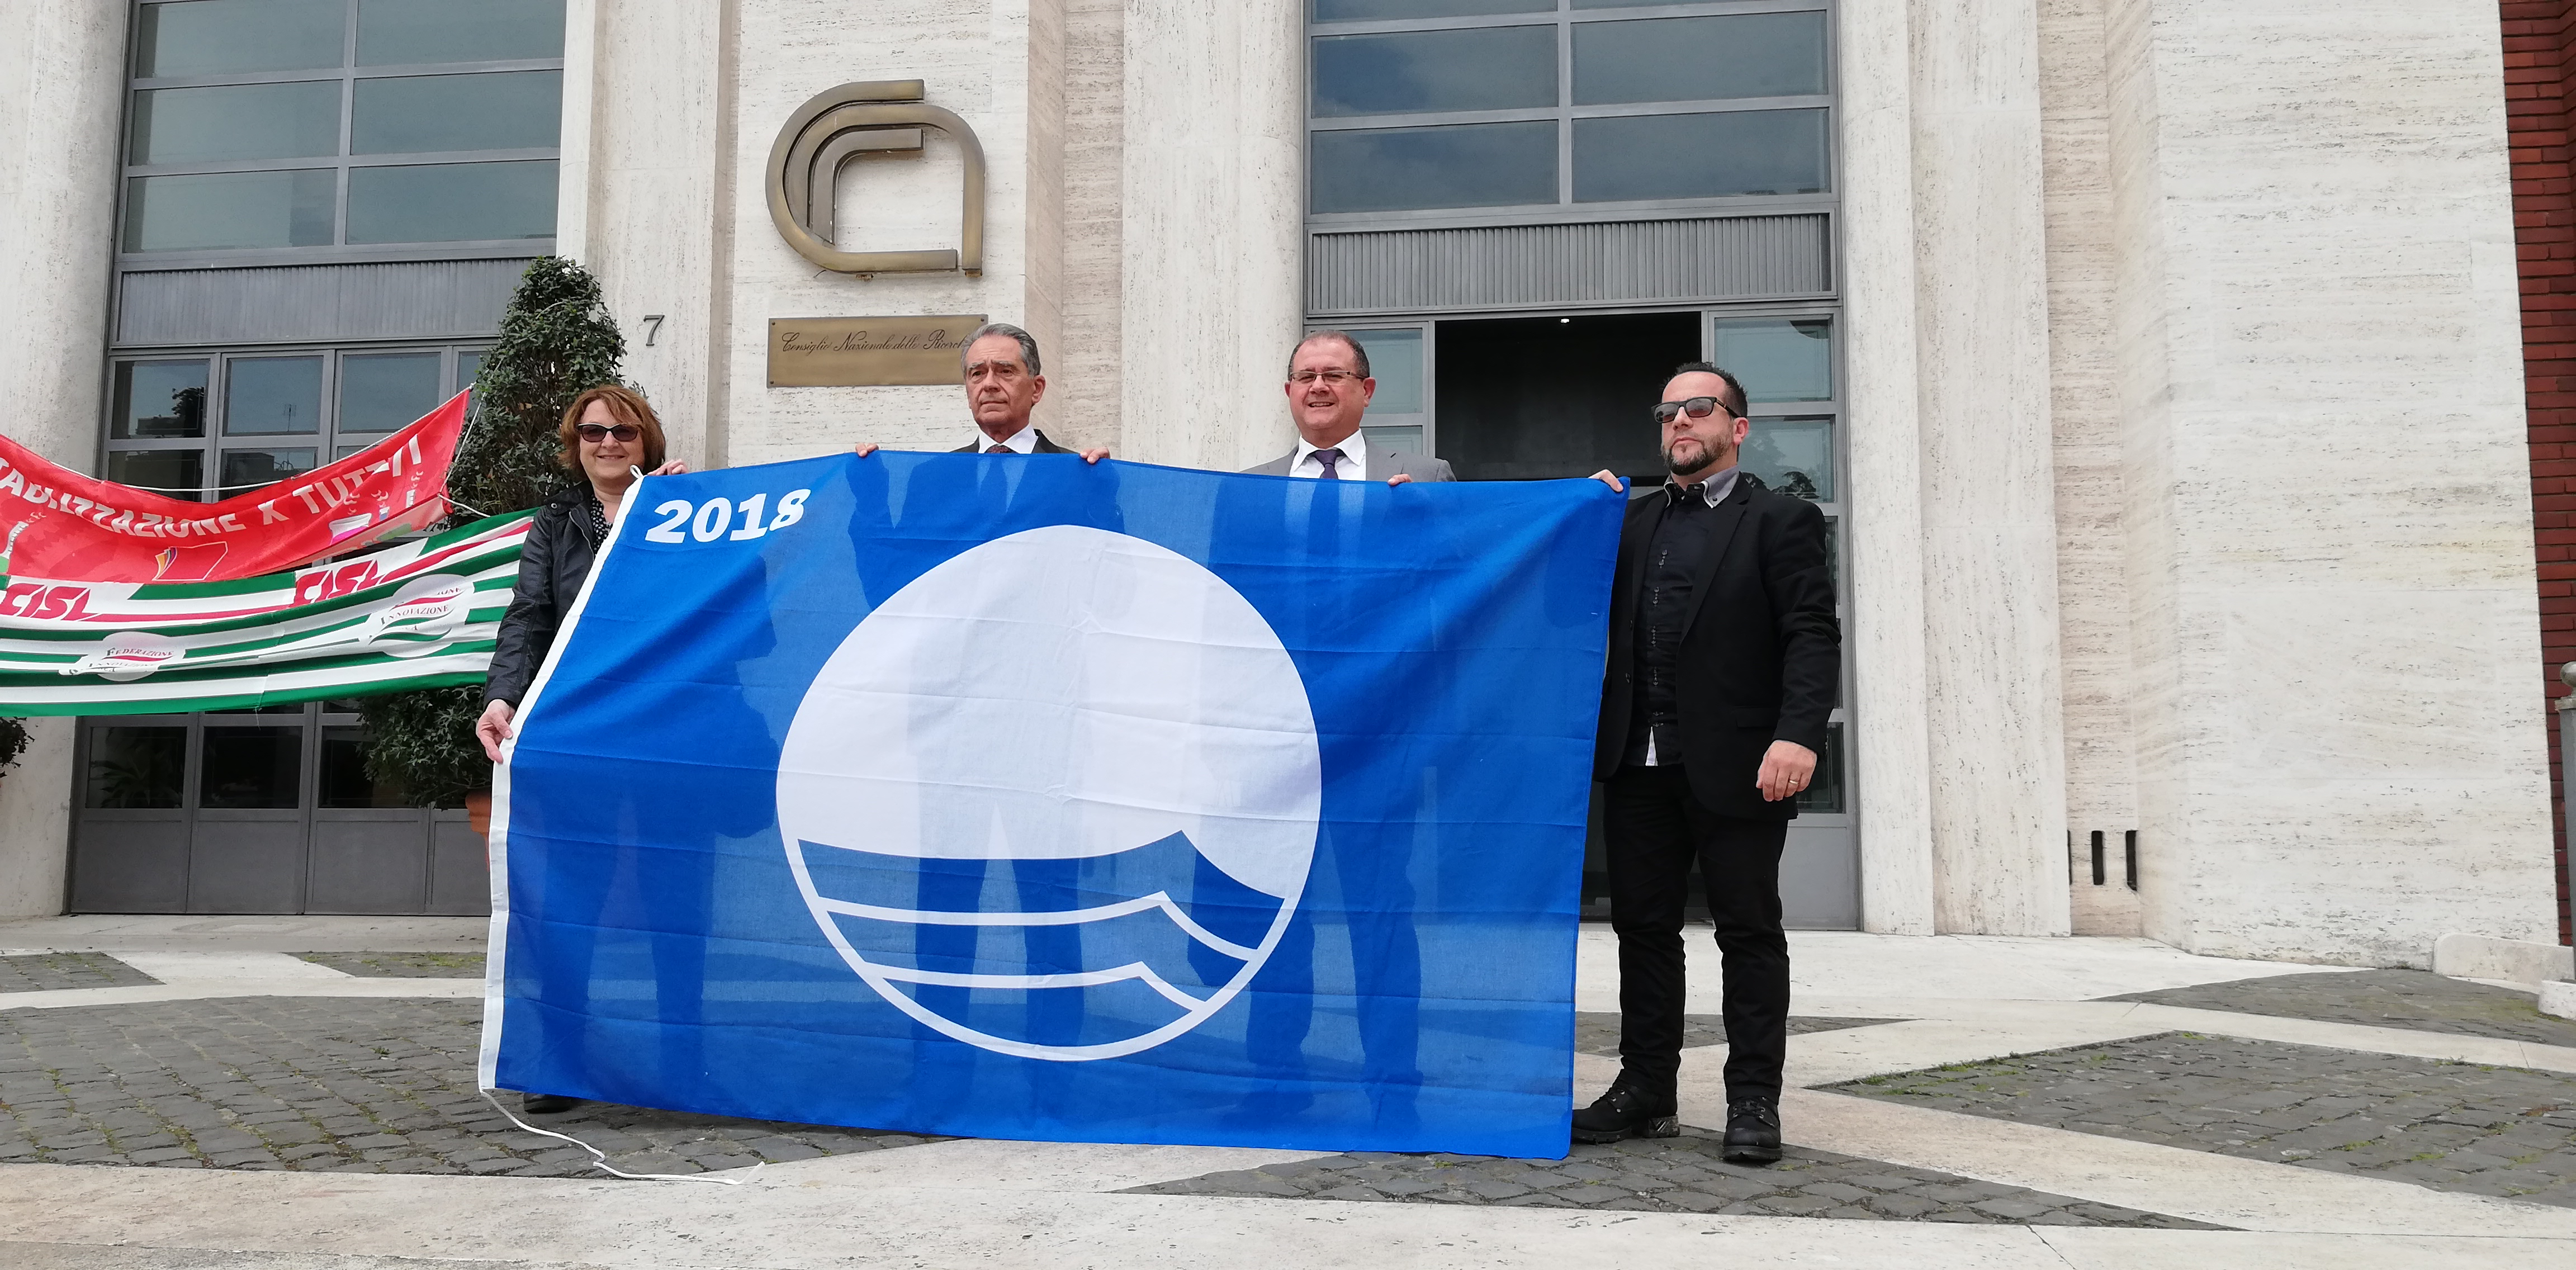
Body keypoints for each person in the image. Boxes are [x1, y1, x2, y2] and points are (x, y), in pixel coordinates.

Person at [1571, 362, 1840, 1163]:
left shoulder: (1782, 520)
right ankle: (1646, 1088)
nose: (1680, 422)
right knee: (1643, 930)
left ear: (1737, 428)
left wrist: (1799, 734)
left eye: (1698, 408)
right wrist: (1576, 514)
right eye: (1668, 413)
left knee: (1748, 931)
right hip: (1637, 762)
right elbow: (1556, 595)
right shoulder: (1629, 522)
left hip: (1743, 762)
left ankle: (1753, 1099)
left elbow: (1810, 634)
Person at [473, 385, 687, 1117]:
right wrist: (502, 696)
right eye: (594, 432)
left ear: (646, 440)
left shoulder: (687, 512)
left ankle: (684, 1057)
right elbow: (529, 618)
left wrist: (688, 516)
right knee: (571, 900)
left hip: (664, 737)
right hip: (579, 734)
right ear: (576, 445)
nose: (609, 443)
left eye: (623, 431)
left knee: (674, 896)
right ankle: (558, 1061)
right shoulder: (556, 521)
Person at [853, 323, 1110, 462]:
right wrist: (869, 491)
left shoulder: (1074, 472)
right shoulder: (938, 477)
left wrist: (1105, 488)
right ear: (968, 392)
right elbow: (902, 545)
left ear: (1037, 388)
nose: (989, 384)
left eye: (1005, 371)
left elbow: (1104, 544)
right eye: (977, 374)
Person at [1243, 331, 1454, 485]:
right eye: (1305, 377)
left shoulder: (1428, 477)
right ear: (1289, 392)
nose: (1318, 387)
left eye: (1334, 375)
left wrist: (1422, 520)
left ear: (1366, 391)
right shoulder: (1247, 487)